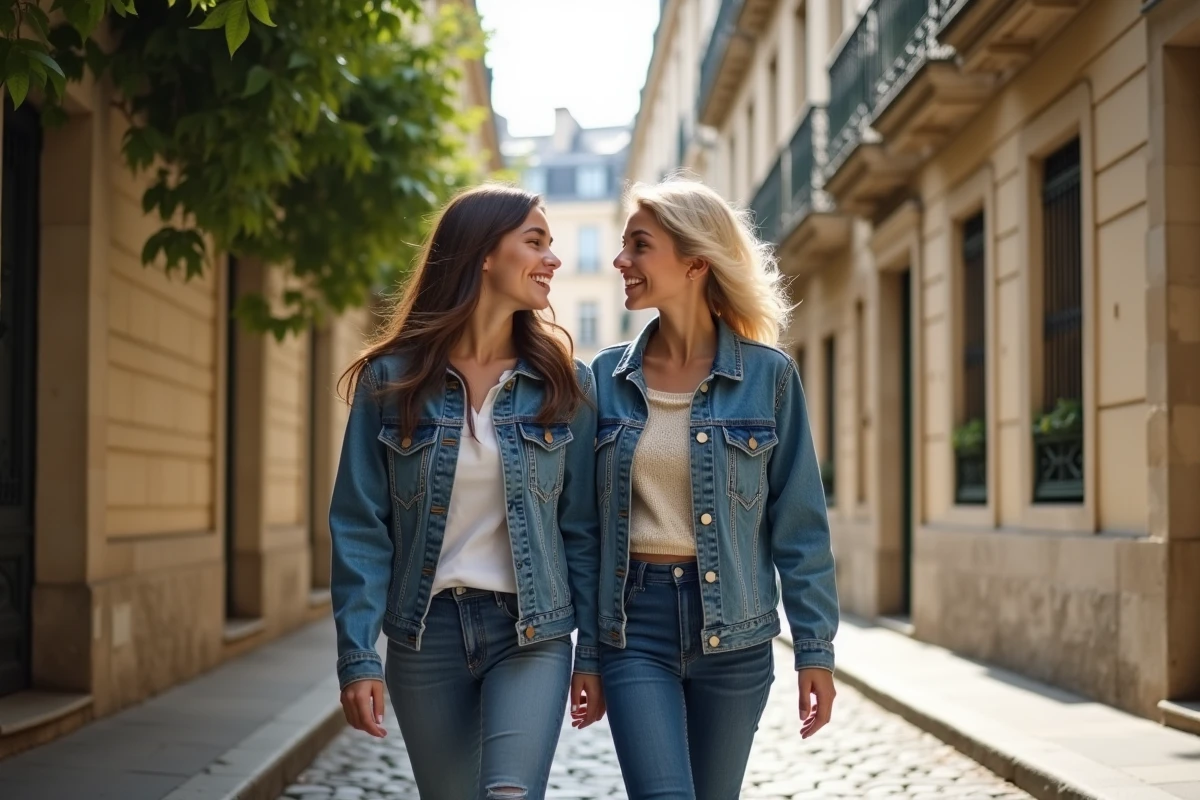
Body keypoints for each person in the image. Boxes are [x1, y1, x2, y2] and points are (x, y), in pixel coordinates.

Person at [329, 184, 604, 800]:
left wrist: (591, 653)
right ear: (483, 253)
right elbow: (359, 522)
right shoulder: (393, 380)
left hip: (530, 632)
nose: (553, 259)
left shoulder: (566, 385)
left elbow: (583, 529)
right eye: (535, 242)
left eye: (552, 245)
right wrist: (358, 655)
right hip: (426, 634)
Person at [591, 178, 839, 800]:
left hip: (737, 632)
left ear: (696, 261)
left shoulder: (769, 377)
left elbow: (800, 522)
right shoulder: (604, 380)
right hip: (634, 629)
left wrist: (815, 649)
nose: (621, 261)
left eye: (639, 246)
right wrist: (586, 656)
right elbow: (583, 529)